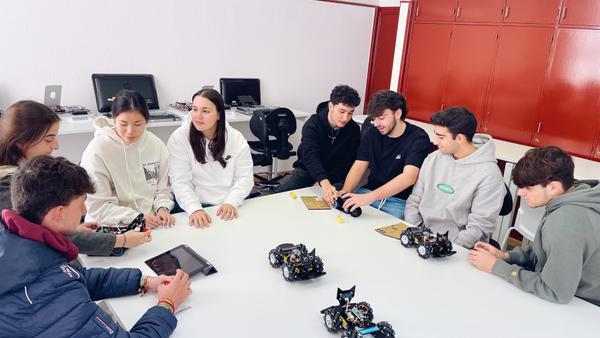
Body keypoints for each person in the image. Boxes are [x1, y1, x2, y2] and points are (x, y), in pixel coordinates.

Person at [0, 156, 191, 337]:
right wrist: (168, 303)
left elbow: (72, 276)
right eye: (81, 204)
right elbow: (60, 288)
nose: (84, 211)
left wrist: (144, 282)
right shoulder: (51, 302)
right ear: (58, 213)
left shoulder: (18, 243)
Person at [0, 100, 148, 255]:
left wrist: (69, 228)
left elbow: (43, 228)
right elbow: (44, 236)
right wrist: (120, 240)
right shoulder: (8, 189)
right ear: (22, 142)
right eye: (48, 139)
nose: (56, 145)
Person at [469, 146, 600, 306]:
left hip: (586, 308)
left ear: (553, 187)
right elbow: (548, 251)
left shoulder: (564, 220)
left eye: (528, 188)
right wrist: (506, 257)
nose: (519, 193)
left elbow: (555, 291)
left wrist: (497, 267)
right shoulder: (577, 194)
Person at [404, 107, 505, 248]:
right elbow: (414, 202)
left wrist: (444, 248)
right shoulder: (433, 159)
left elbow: (478, 228)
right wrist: (417, 233)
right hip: (423, 238)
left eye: (441, 137)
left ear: (459, 138)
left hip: (457, 248)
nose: (435, 142)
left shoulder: (489, 174)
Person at [81, 90, 175, 228]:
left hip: (152, 222)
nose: (130, 131)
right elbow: (97, 206)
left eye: (138, 124)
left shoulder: (156, 145)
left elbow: (163, 189)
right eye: (123, 124)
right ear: (114, 120)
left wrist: (162, 208)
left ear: (147, 121)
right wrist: (136, 218)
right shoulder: (98, 150)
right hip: (110, 226)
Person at [167, 88, 253, 228]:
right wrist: (194, 209)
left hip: (230, 204)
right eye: (194, 109)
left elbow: (245, 177)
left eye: (205, 111)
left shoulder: (235, 138)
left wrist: (231, 202)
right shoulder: (179, 138)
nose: (197, 116)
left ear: (219, 114)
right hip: (195, 205)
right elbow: (180, 181)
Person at [340, 90, 431, 219]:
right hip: (367, 193)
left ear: (398, 113)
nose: (376, 123)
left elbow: (409, 177)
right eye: (374, 119)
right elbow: (359, 166)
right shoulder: (372, 133)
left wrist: (369, 198)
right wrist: (345, 193)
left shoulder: (417, 138)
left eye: (382, 118)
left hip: (397, 202)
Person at [274, 85, 361, 204]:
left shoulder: (353, 129)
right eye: (341, 111)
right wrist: (323, 182)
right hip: (308, 170)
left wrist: (325, 183)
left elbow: (347, 163)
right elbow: (310, 156)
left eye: (350, 113)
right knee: (279, 196)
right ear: (331, 106)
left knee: (335, 204)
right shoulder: (313, 124)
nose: (345, 118)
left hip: (335, 175)